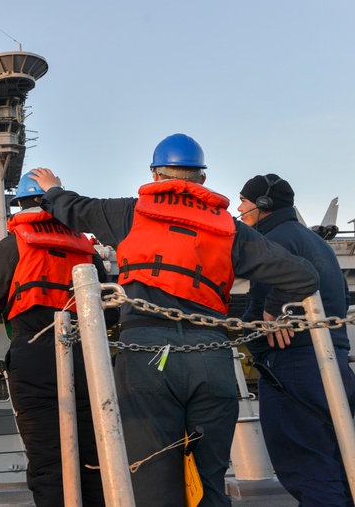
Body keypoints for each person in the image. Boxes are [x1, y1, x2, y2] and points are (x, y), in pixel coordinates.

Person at [29, 133, 320, 507]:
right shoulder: (232, 229)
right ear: (201, 179)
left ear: (155, 175)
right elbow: (303, 276)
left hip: (146, 358)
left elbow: (73, 207)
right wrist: (275, 306)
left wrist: (52, 189)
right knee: (210, 479)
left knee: (152, 480)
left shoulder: (129, 213)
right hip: (211, 358)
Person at [0, 170, 107, 507]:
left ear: (22, 204)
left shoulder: (12, 244)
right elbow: (110, 309)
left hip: (34, 355)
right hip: (85, 355)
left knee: (48, 459)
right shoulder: (84, 247)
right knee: (93, 456)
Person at [238, 173, 355, 505]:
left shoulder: (273, 242)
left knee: (306, 468)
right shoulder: (314, 241)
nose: (239, 207)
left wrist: (262, 322)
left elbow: (261, 310)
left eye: (244, 200)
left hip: (292, 366)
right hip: (334, 361)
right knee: (340, 464)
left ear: (263, 205)